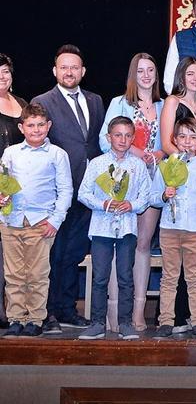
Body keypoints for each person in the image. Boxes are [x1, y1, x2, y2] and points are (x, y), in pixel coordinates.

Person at [32, 44, 106, 334]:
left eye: (74, 67)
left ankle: (67, 308)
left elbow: (95, 142)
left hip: (88, 191)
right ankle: (47, 311)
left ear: (83, 71)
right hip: (56, 192)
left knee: (74, 253)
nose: (69, 72)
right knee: (52, 253)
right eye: (64, 67)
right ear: (55, 71)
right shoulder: (43, 101)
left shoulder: (96, 100)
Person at [98, 53, 164, 332]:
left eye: (150, 70)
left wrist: (160, 152)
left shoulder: (165, 105)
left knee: (143, 246)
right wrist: (138, 153)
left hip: (153, 184)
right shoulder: (119, 103)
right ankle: (113, 313)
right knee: (119, 245)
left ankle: (137, 311)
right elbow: (105, 141)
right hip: (123, 184)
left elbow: (172, 142)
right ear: (132, 74)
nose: (146, 75)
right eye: (140, 70)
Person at [0, 103, 72, 338]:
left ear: (49, 126)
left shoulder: (57, 155)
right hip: (11, 220)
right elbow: (3, 180)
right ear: (21, 127)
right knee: (14, 274)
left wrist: (55, 221)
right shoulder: (11, 153)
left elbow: (65, 191)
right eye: (30, 125)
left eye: (41, 125)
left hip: (41, 222)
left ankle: (35, 318)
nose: (36, 130)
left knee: (37, 274)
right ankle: (16, 318)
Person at [76, 116, 152, 340]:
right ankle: (98, 322)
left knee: (125, 276)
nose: (123, 140)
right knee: (100, 277)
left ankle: (125, 322)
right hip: (101, 228)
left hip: (127, 227)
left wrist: (132, 204)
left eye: (128, 135)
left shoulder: (137, 165)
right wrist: (104, 204)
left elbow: (145, 196)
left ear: (133, 138)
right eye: (118, 135)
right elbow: (83, 193)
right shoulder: (98, 163)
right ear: (109, 137)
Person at [150, 118, 196, 339]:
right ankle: (166, 320)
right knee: (169, 277)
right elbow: (153, 198)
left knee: (194, 277)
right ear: (174, 139)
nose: (187, 142)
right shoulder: (167, 164)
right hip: (170, 228)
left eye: (192, 137)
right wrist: (164, 195)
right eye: (182, 136)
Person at [0, 54, 29, 330]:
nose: (2, 77)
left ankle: (11, 311)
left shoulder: (21, 105)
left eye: (6, 71)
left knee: (11, 254)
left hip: (15, 190)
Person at [160, 57, 196, 159]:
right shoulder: (172, 101)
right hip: (178, 167)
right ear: (181, 77)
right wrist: (188, 161)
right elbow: (166, 145)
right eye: (190, 74)